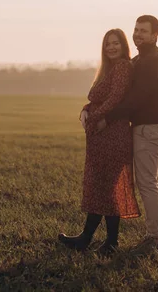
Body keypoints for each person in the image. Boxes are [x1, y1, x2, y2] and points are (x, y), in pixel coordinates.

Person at [58, 29, 140, 257]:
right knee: (102, 187)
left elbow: (115, 98)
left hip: (113, 135)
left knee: (107, 187)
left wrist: (94, 117)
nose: (111, 47)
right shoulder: (107, 70)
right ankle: (96, 240)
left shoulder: (123, 66)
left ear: (123, 46)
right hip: (100, 137)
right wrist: (86, 110)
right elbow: (96, 98)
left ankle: (101, 240)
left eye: (115, 43)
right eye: (107, 44)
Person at [96, 15, 158, 257]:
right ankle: (154, 239)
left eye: (144, 31)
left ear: (154, 35)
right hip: (145, 126)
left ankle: (155, 241)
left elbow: (135, 99)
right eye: (136, 30)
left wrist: (106, 116)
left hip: (151, 127)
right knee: (148, 182)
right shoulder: (140, 58)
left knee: (148, 183)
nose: (138, 34)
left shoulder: (152, 62)